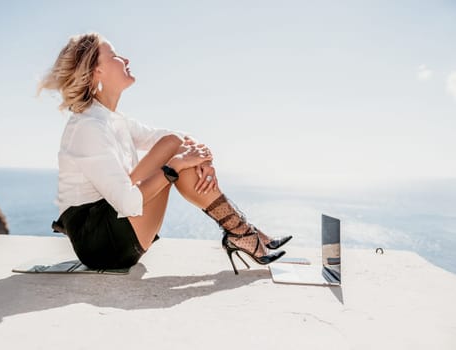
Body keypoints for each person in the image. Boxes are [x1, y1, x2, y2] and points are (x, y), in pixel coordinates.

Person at [39, 33, 292, 275]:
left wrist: (204, 158)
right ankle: (241, 233)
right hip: (100, 243)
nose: (126, 60)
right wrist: (175, 166)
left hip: (120, 231)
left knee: (174, 144)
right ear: (97, 71)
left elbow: (174, 138)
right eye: (115, 55)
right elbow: (127, 201)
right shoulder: (88, 126)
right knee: (173, 148)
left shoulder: (114, 120)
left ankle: (241, 231)